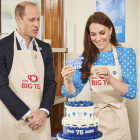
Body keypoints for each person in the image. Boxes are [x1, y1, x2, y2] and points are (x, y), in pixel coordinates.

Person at [61, 12, 137, 140]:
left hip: (118, 120)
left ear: (110, 30)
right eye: (93, 34)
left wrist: (110, 79)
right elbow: (72, 93)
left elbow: (131, 92)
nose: (98, 38)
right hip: (94, 121)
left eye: (102, 33)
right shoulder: (86, 58)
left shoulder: (126, 54)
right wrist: (68, 80)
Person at [0, 1, 56, 140]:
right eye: (32, 20)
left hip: (40, 122)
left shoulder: (45, 49)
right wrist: (27, 114)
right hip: (12, 120)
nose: (37, 24)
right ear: (18, 19)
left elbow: (50, 83)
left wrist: (43, 112)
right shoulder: (3, 46)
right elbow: (1, 85)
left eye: (38, 19)